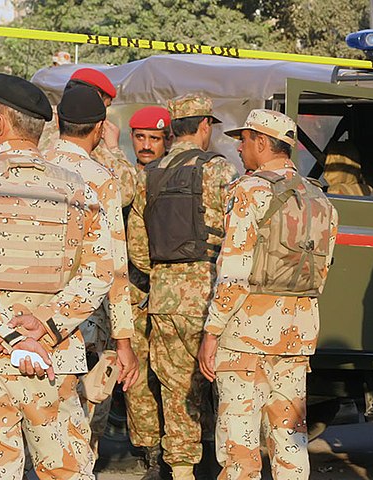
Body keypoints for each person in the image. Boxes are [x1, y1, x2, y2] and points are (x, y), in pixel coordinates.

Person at [198, 109, 338, 479]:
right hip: (297, 336)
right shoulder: (320, 198)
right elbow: (322, 270)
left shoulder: (248, 191)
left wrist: (211, 332)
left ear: (262, 142)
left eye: (243, 140)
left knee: (240, 447)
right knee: (291, 441)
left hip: (246, 337)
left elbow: (234, 272)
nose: (238, 148)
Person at [0, 73, 114, 479]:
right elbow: (101, 271)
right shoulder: (78, 189)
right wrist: (45, 326)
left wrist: (12, 337)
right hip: (54, 359)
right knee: (67, 471)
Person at [128, 93, 238, 480]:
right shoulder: (220, 170)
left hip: (164, 297)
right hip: (211, 295)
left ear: (172, 129)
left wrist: (165, 273)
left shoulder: (149, 174)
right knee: (223, 384)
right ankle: (225, 463)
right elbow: (239, 236)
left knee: (175, 390)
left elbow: (137, 248)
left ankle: (181, 471)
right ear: (205, 126)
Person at [42, 84, 139, 453]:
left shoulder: (35, 165)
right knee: (79, 436)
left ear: (59, 123)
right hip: (84, 327)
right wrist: (124, 341)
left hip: (28, 319)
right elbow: (114, 266)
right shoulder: (99, 178)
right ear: (99, 128)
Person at [125, 105, 172, 479]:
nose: (146, 145)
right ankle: (152, 454)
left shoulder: (177, 180)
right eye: (140, 137)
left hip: (172, 292)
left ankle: (181, 453)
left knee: (176, 378)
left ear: (167, 140)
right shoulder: (126, 180)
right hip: (134, 294)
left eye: (154, 138)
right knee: (137, 378)